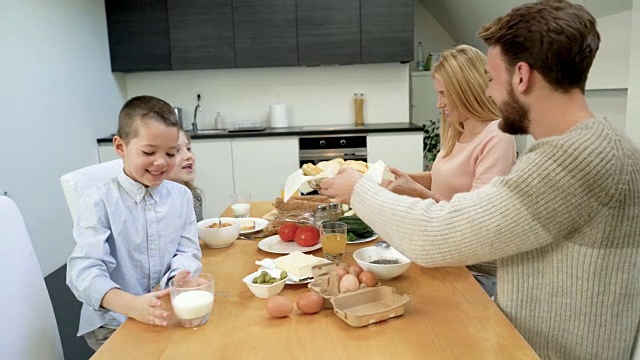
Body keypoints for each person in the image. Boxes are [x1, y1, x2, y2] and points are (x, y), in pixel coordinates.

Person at [319, 1, 640, 359]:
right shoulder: (590, 147)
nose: (487, 92)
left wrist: (358, 191)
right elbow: (512, 246)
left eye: (490, 78)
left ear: (521, 76)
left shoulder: (573, 160)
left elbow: (438, 234)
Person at [66, 95, 203, 351]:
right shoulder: (98, 200)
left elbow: (187, 251)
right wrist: (130, 305)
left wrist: (178, 278)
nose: (161, 161)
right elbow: (83, 272)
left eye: (170, 152)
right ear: (120, 147)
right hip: (113, 323)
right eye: (149, 152)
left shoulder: (181, 196)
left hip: (163, 311)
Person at [386, 45, 516, 204]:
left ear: (468, 92)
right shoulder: (457, 130)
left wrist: (414, 191)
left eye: (444, 94)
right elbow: (440, 179)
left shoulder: (498, 138)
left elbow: (476, 212)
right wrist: (397, 179)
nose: (439, 104)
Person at [167, 129, 203, 222]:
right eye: (176, 150)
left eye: (188, 148)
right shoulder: (159, 206)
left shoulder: (193, 195)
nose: (188, 155)